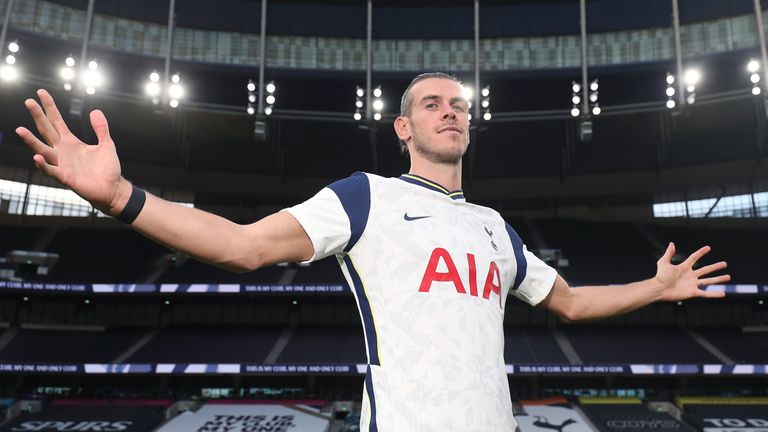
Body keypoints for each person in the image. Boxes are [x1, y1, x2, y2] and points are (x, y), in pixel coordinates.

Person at [16, 72, 729, 432]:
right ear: (403, 129)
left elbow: (569, 301)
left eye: (460, 106)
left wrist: (656, 288)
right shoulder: (367, 198)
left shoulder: (492, 225)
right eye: (432, 104)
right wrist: (121, 198)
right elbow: (242, 248)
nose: (452, 112)